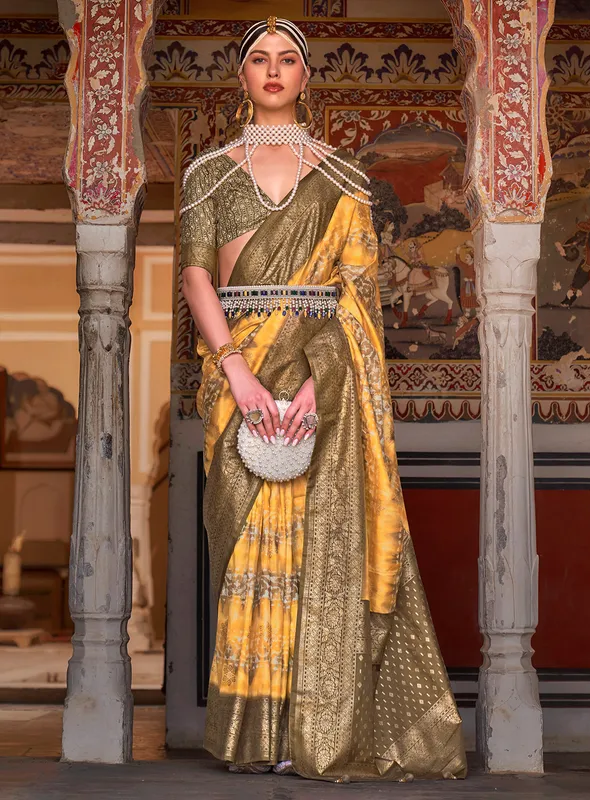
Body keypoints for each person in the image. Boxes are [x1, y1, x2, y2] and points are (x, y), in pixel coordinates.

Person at [179, 16, 466, 782]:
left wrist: (319, 381)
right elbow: (198, 276)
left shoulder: (343, 177)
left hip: (321, 374)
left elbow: (358, 293)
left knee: (318, 551)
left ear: (307, 78)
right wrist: (236, 371)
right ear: (241, 77)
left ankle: (318, 726)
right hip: (237, 374)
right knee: (248, 551)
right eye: (258, 60)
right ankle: (254, 734)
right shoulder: (207, 173)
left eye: (288, 60)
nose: (273, 70)